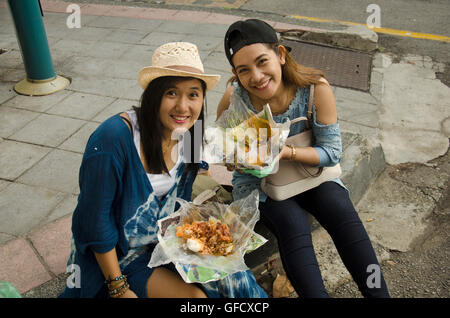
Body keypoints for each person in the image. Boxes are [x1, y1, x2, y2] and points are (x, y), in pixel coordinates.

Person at [59, 42, 267, 298]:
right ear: (153, 95)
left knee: (234, 274)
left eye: (193, 94)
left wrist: (239, 159)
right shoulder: (113, 139)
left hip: (166, 243)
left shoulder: (192, 133)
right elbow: (93, 223)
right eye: (171, 93)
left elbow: (197, 174)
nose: (182, 107)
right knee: (196, 299)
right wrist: (119, 288)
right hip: (118, 258)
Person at [217, 19, 390, 298]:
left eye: (263, 62)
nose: (257, 76)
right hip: (261, 185)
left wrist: (286, 152)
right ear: (236, 74)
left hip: (311, 173)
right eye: (244, 70)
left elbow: (332, 152)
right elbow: (227, 152)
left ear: (281, 55)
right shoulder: (235, 99)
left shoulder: (314, 88)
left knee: (339, 207)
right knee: (291, 222)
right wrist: (237, 157)